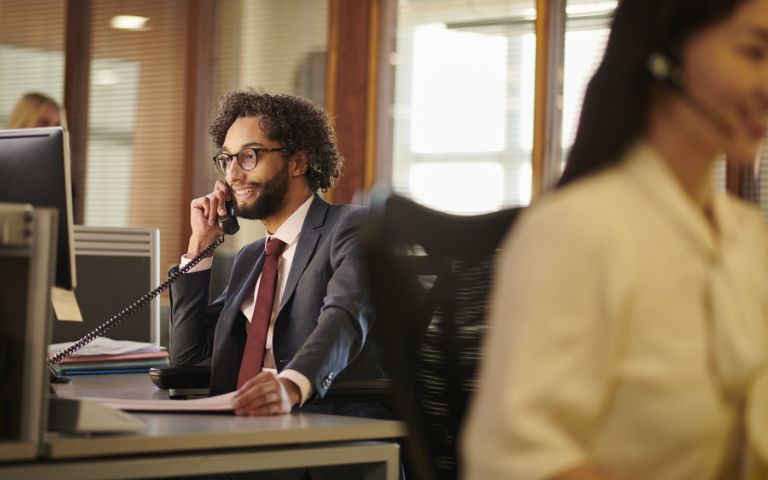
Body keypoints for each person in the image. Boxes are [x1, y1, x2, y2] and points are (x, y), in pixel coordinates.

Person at [461, 0, 768, 479]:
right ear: (665, 52)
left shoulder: (751, 240)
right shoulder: (575, 231)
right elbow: (518, 459)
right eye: (754, 53)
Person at [169, 88, 385, 423]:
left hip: (322, 431)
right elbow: (188, 360)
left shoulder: (350, 227)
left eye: (249, 156)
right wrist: (199, 248)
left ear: (298, 161)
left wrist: (291, 386)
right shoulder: (251, 258)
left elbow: (344, 318)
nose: (233, 175)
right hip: (239, 432)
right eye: (227, 160)